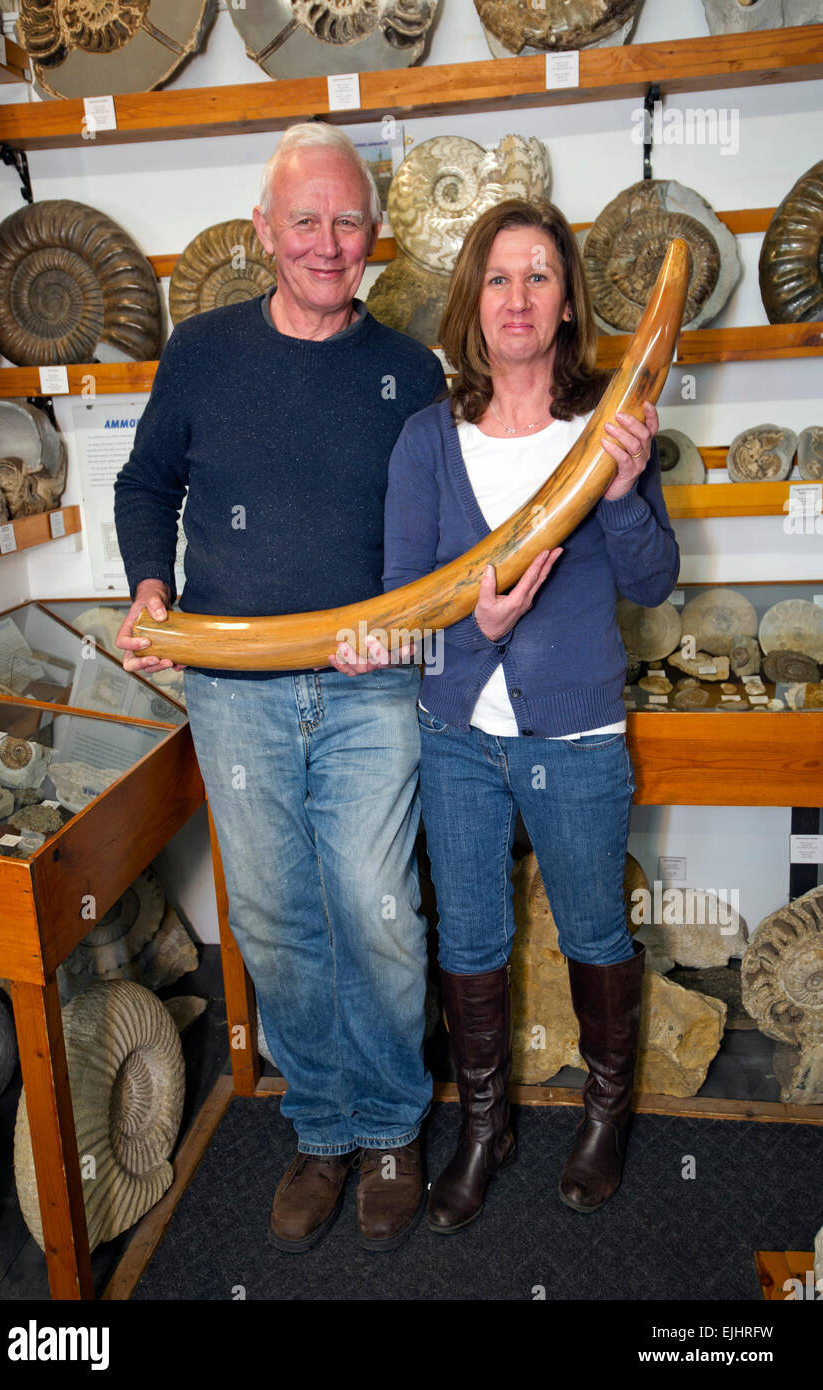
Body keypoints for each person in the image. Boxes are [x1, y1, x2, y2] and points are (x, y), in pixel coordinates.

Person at [112, 121, 447, 1253]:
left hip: (369, 692)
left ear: (376, 235)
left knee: (375, 908)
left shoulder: (411, 369)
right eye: (304, 220)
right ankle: (322, 1128)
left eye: (348, 220)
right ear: (264, 230)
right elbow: (144, 480)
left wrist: (405, 630)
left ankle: (395, 1124)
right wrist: (150, 583)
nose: (326, 241)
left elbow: (441, 537)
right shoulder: (201, 350)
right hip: (233, 686)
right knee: (273, 918)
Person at [332, 196, 679, 1232]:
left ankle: (603, 1114)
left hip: (576, 736)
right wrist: (468, 628)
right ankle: (487, 1126)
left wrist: (619, 495)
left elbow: (657, 584)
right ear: (471, 303)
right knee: (471, 938)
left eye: (537, 276)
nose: (516, 296)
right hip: (455, 738)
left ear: (567, 301)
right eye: (497, 277)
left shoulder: (607, 429)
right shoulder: (423, 442)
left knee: (593, 930)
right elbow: (405, 603)